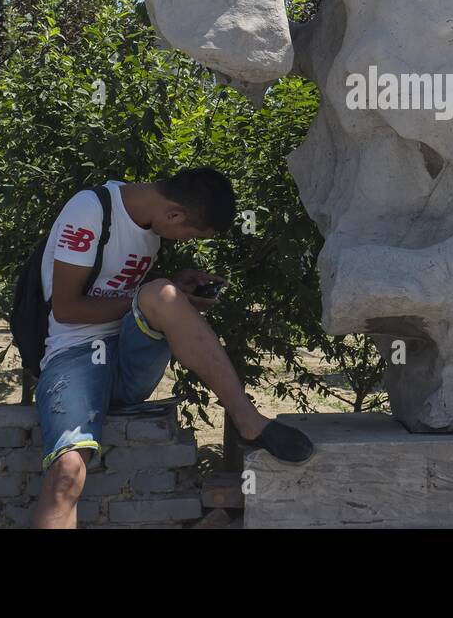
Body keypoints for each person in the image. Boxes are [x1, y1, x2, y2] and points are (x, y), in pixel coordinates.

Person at [31, 166, 313, 529]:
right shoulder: (90, 212)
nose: (183, 241)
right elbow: (66, 309)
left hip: (127, 362)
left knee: (162, 293)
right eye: (189, 235)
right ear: (175, 214)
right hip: (74, 359)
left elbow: (136, 298)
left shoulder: (151, 228)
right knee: (67, 476)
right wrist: (151, 297)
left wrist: (174, 293)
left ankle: (249, 421)